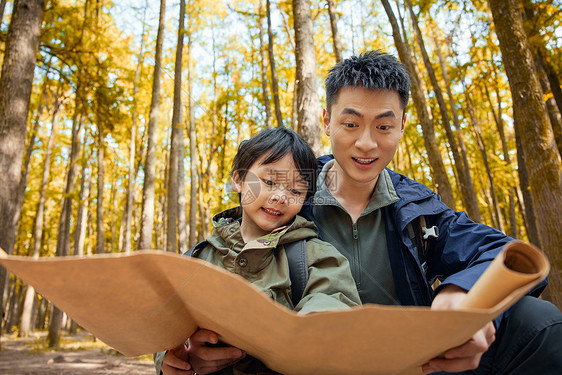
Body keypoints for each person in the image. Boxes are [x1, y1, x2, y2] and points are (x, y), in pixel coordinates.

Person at [161, 51, 562, 374]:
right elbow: (222, 267)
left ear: (403, 125)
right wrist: (180, 351)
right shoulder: (287, 194)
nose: (366, 143)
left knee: (539, 322)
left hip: (415, 364)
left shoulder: (418, 207)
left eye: (383, 127)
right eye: (350, 123)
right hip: (308, 365)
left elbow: (504, 252)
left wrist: (465, 300)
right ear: (327, 120)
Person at [154, 127, 361, 375]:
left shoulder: (315, 257)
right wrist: (171, 361)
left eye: (295, 190)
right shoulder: (195, 259)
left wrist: (308, 331)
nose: (281, 197)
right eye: (269, 181)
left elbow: (335, 301)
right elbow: (167, 327)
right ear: (239, 180)